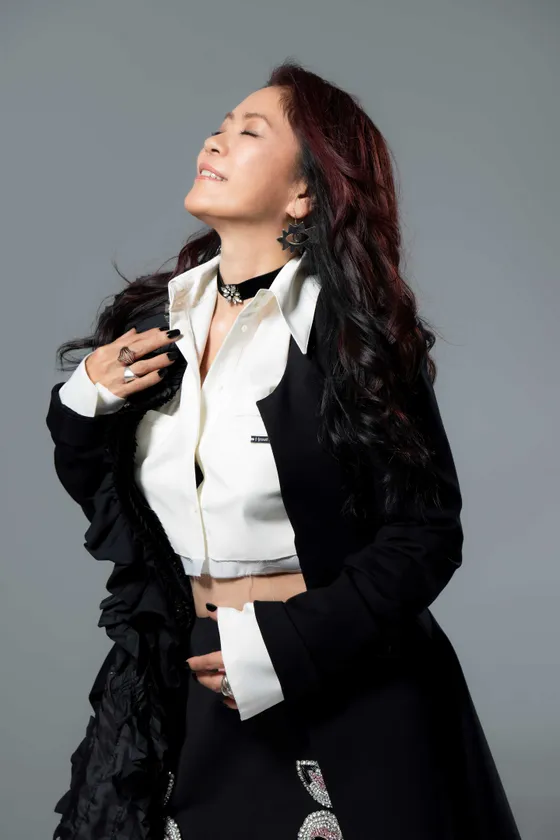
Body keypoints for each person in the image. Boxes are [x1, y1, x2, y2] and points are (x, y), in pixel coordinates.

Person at [46, 60, 522, 839]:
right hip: (190, 680)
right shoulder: (156, 319)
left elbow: (426, 534)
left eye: (249, 131)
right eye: (219, 126)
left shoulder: (351, 338)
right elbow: (109, 498)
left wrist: (288, 647)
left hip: (334, 675)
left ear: (303, 192)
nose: (215, 140)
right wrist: (85, 399)